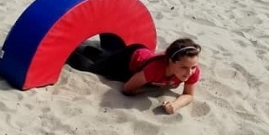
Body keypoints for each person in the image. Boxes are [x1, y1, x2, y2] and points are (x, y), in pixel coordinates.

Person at [68, 38, 201, 114]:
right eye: (184, 67)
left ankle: (82, 47)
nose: (189, 73)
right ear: (171, 62)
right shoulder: (155, 70)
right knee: (93, 68)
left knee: (104, 58)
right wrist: (151, 88)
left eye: (193, 67)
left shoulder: (192, 71)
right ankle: (67, 51)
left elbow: (189, 95)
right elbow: (127, 89)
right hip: (127, 60)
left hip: (141, 61)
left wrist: (175, 105)